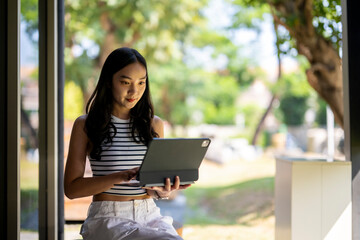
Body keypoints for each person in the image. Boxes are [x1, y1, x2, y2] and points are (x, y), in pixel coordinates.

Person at [64, 47, 190, 240]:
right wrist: (120, 176)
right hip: (108, 218)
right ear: (108, 81)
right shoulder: (85, 125)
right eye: (125, 82)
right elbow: (72, 189)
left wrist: (162, 191)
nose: (134, 91)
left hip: (149, 214)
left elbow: (151, 189)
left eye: (141, 82)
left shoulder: (154, 124)